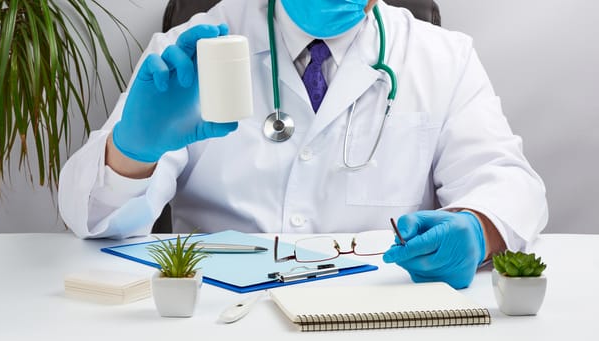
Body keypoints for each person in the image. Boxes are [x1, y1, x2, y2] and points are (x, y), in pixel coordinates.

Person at [58, 0, 548, 289]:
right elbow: (91, 219)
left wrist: (479, 229)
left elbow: (508, 182)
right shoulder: (198, 44)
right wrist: (132, 152)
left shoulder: (443, 57)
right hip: (219, 319)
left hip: (379, 315)